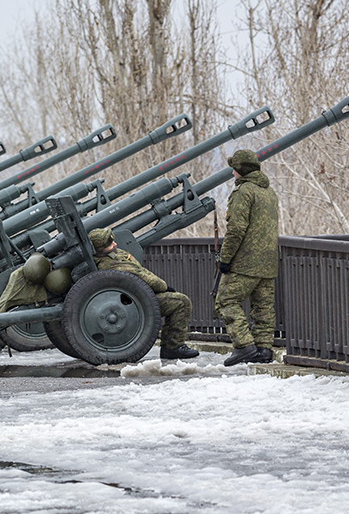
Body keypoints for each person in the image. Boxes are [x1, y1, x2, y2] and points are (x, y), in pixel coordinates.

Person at [88, 228, 199, 360]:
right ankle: (173, 347)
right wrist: (164, 287)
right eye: (110, 244)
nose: (115, 244)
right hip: (135, 305)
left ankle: (171, 346)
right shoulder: (113, 264)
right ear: (102, 249)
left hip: (131, 300)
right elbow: (142, 276)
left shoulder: (109, 257)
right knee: (181, 302)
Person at [216, 149, 279, 366]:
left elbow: (236, 230)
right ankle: (263, 349)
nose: (232, 172)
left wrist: (225, 259)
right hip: (269, 261)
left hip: (245, 262)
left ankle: (244, 346)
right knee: (263, 308)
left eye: (234, 168)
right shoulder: (269, 192)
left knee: (225, 300)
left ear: (239, 170)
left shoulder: (243, 192)